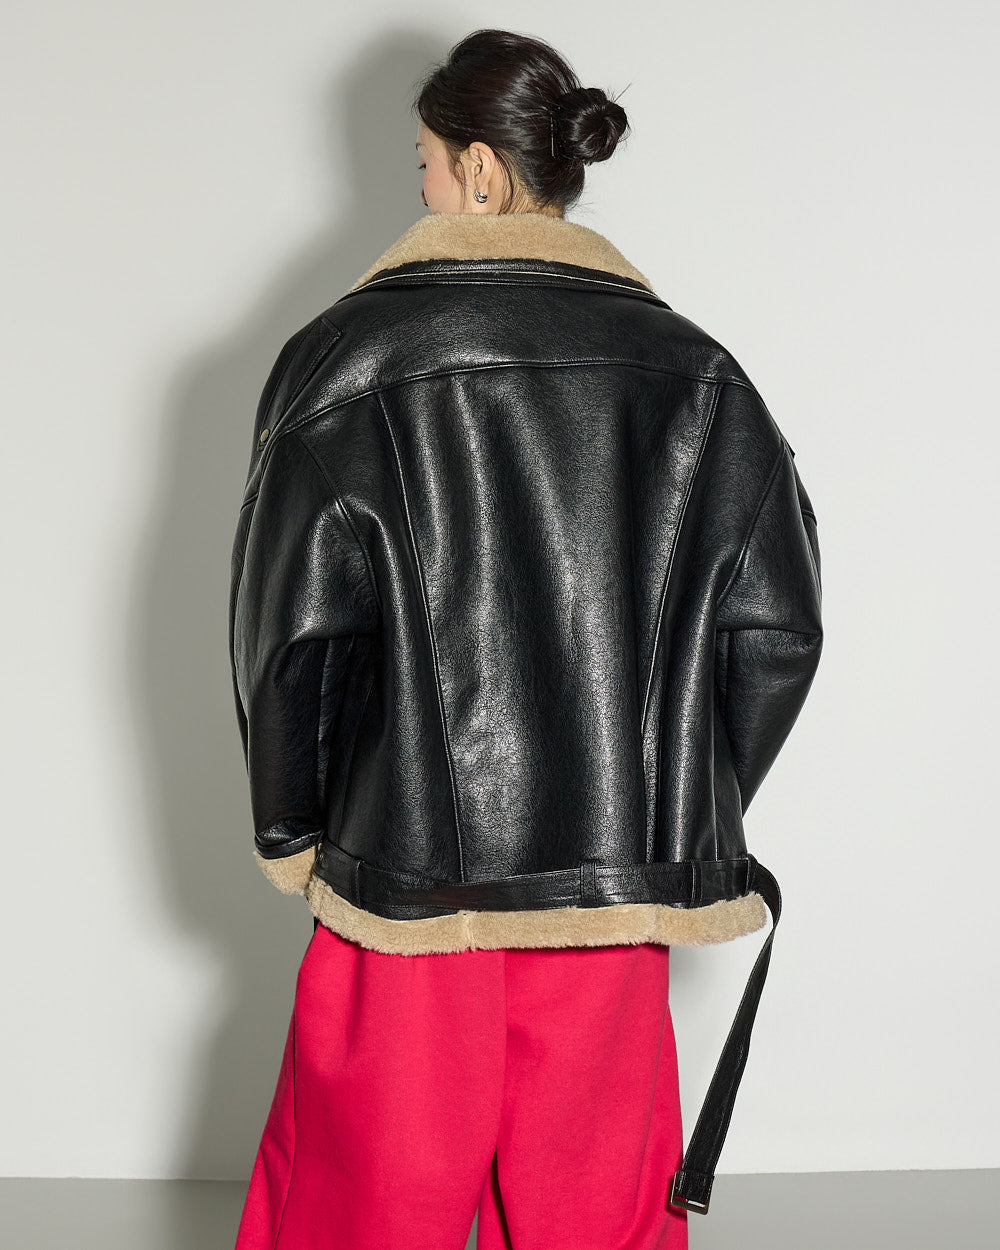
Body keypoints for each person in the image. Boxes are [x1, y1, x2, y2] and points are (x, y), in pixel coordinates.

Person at [228, 27, 823, 1250]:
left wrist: (297, 830)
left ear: (482, 171)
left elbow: (290, 633)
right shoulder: (700, 373)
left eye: (425, 163)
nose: (424, 186)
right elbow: (776, 629)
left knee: (363, 1206)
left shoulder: (344, 356)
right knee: (595, 1212)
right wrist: (659, 806)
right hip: (613, 893)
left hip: (404, 881)